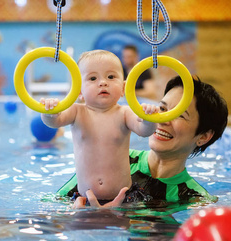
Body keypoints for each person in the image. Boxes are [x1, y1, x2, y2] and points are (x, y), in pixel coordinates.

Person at [57, 75, 228, 208]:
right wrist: (82, 215)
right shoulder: (114, 160)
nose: (162, 119)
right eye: (162, 108)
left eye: (179, 115)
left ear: (204, 136)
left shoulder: (194, 199)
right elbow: (52, 206)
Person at [40, 50, 159, 203]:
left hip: (124, 199)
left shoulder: (125, 113)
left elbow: (144, 131)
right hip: (85, 198)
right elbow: (54, 122)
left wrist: (148, 119)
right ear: (79, 91)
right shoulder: (77, 111)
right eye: (93, 78)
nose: (103, 82)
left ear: (123, 88)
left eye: (111, 77)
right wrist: (50, 112)